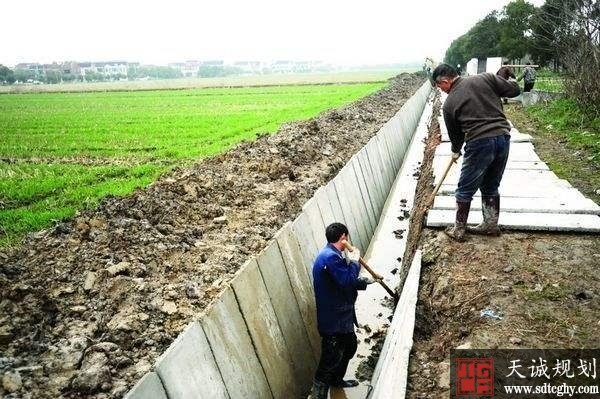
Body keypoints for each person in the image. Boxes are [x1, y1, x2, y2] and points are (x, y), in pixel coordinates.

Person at [431, 63, 520, 241]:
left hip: (479, 143)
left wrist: (455, 151)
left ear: (446, 81)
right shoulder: (486, 78)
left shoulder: (449, 104)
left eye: (440, 86)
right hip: (503, 138)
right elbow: (514, 90)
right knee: (491, 185)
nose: (441, 90)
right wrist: (511, 78)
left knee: (464, 189)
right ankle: (491, 225)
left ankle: (458, 229)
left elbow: (456, 135)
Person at [310, 222, 375, 399]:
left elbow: (342, 281)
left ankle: (336, 381)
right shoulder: (330, 257)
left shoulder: (333, 254)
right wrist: (354, 261)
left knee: (349, 346)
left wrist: (362, 282)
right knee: (329, 359)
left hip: (341, 315)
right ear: (344, 238)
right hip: (333, 319)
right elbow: (346, 280)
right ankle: (319, 394)